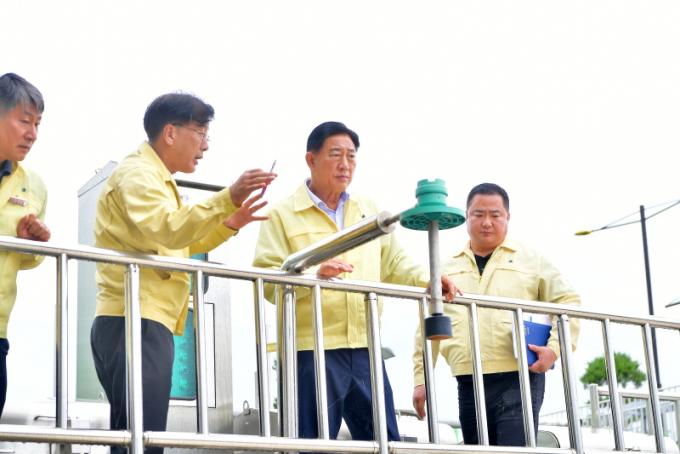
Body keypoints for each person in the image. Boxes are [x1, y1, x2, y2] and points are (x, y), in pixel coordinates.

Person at [91, 92, 276, 453]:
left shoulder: (155, 177)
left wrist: (230, 222)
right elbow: (168, 228)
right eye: (201, 133)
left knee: (135, 437)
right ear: (170, 133)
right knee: (142, 440)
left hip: (140, 319)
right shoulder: (139, 173)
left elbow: (178, 243)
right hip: (135, 318)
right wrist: (227, 197)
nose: (205, 146)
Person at [253, 121, 458, 443]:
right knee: (311, 443)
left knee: (384, 442)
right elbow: (266, 281)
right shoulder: (282, 214)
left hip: (366, 347)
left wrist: (429, 280)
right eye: (336, 154)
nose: (345, 164)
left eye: (351, 156)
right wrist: (313, 275)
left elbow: (394, 262)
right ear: (311, 159)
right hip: (312, 349)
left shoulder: (369, 211)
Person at [412, 182, 580, 446]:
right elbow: (427, 326)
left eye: (495, 215)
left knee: (515, 451)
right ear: (467, 217)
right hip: (468, 378)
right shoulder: (445, 268)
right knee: (477, 451)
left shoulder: (531, 260)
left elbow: (568, 301)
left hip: (519, 375)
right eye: (478, 214)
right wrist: (421, 380)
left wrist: (555, 349)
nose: (487, 222)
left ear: (508, 217)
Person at [0, 73, 51, 418]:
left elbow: (28, 260)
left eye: (38, 123)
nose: (32, 134)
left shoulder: (34, 185)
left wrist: (32, 244)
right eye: (24, 121)